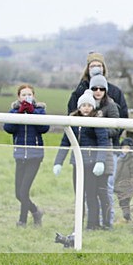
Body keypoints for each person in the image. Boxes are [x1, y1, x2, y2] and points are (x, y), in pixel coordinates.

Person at [53, 90, 111, 230]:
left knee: (91, 195)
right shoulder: (72, 122)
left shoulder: (96, 121)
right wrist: (58, 162)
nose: (86, 108)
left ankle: (92, 224)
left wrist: (100, 161)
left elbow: (103, 142)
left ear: (93, 107)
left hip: (91, 164)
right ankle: (78, 224)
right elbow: (65, 142)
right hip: (77, 164)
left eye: (89, 105)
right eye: (83, 105)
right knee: (78, 195)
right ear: (79, 107)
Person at [3, 83, 49, 227]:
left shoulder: (40, 110)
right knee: (18, 193)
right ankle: (36, 211)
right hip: (20, 155)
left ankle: (22, 221)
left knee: (24, 191)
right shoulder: (13, 111)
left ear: (34, 96)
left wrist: (32, 113)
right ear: (19, 97)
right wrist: (19, 114)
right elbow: (8, 128)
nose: (27, 97)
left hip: (35, 156)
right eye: (24, 95)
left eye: (29, 94)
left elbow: (44, 128)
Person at [90, 75, 120, 228]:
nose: (98, 91)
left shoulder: (111, 106)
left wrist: (100, 132)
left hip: (105, 151)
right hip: (90, 150)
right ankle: (93, 222)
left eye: (101, 88)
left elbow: (116, 128)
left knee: (104, 191)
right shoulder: (87, 104)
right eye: (95, 88)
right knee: (92, 191)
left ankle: (108, 222)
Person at [67, 51, 128, 120]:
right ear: (88, 69)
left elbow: (123, 115)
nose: (96, 69)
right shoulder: (80, 91)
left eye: (99, 66)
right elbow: (72, 114)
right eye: (92, 66)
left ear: (103, 68)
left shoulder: (115, 92)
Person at [114, 137, 133, 223]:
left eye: (127, 148)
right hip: (118, 184)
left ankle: (127, 216)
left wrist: (131, 183)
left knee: (124, 202)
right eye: (124, 147)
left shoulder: (132, 160)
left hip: (127, 185)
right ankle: (127, 217)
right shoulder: (119, 158)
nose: (125, 150)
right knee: (122, 202)